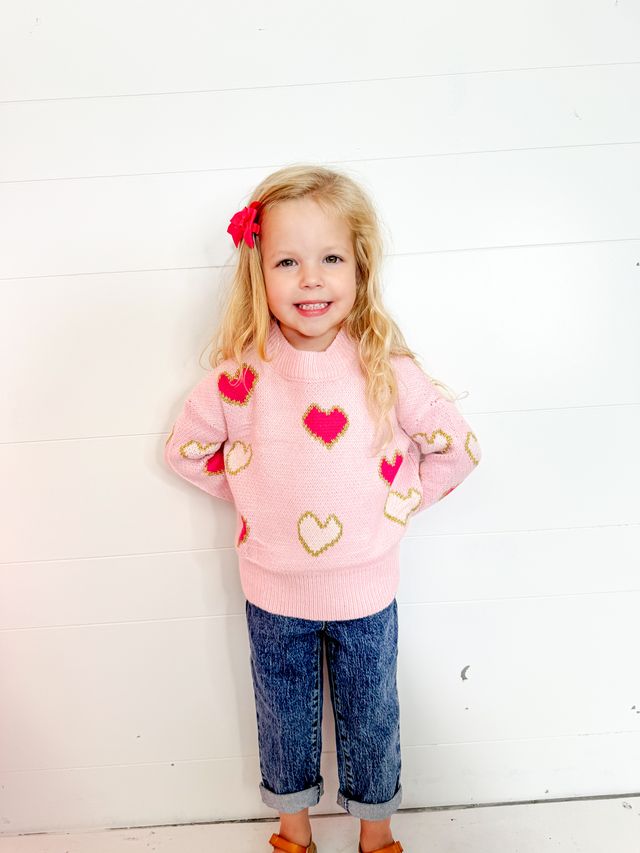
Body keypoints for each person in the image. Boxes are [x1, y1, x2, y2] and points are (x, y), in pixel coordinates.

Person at [163, 164, 482, 853]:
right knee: (284, 721)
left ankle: (377, 835)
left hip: (366, 591)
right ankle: (292, 832)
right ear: (259, 273)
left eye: (331, 258)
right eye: (288, 261)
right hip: (272, 593)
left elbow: (456, 449)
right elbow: (186, 451)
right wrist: (256, 492)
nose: (310, 279)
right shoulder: (239, 376)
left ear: (360, 267)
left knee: (372, 718)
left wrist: (395, 504)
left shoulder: (386, 368)